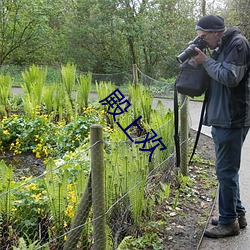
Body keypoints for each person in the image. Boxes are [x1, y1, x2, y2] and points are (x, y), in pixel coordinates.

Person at [192, 15, 250, 238]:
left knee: (225, 171)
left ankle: (228, 223)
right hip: (222, 117)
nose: (203, 41)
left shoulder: (238, 44)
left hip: (232, 118)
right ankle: (237, 214)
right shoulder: (221, 46)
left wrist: (205, 61)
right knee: (227, 171)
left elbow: (229, 77)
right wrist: (202, 60)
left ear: (216, 32)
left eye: (204, 37)